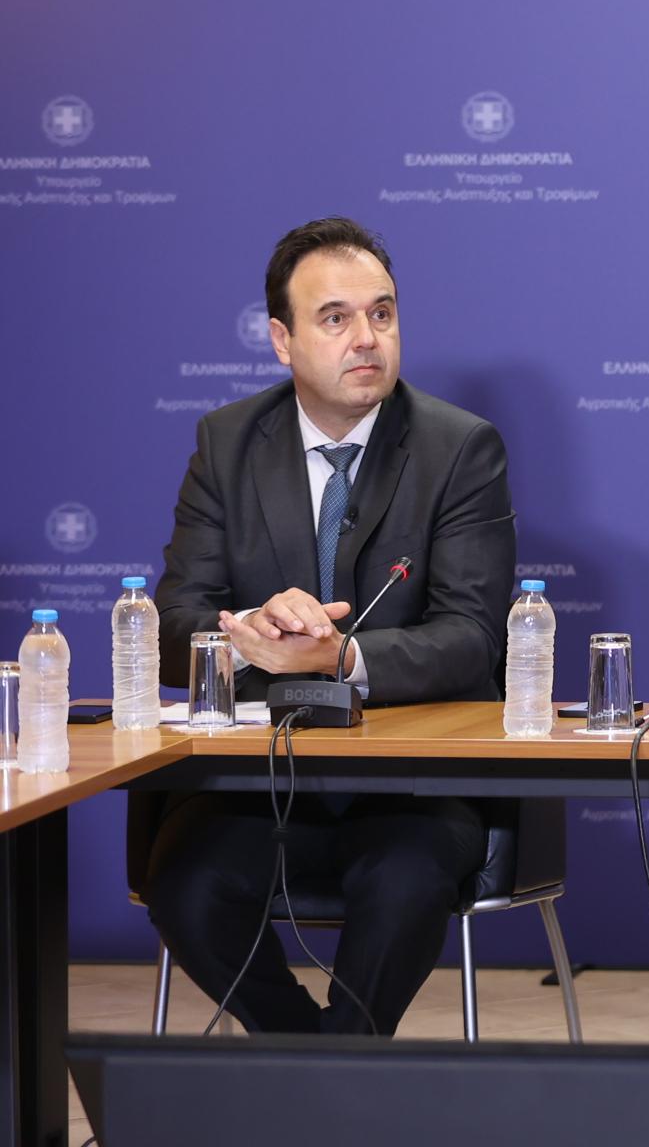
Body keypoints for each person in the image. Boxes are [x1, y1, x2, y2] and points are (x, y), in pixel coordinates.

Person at [150, 216, 516, 1036]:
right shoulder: (226, 444)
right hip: (257, 788)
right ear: (282, 340)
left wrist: (342, 657)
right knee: (187, 887)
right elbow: (173, 627)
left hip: (411, 790)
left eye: (382, 314)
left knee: (405, 883)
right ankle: (312, 1063)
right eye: (335, 318)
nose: (367, 339)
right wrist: (247, 633)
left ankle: (330, 1074)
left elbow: (471, 639)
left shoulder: (460, 449)